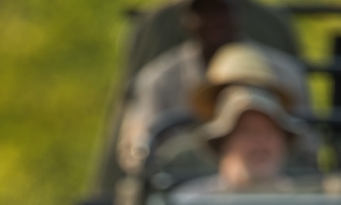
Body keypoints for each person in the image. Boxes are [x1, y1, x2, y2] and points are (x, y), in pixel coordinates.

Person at [117, 0, 308, 175]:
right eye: (203, 12)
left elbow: (309, 147)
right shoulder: (158, 80)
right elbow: (137, 151)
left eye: (221, 10)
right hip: (188, 188)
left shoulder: (286, 73)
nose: (213, 20)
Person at [175, 83, 307, 192]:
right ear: (223, 141)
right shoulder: (192, 204)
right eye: (247, 132)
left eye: (269, 132)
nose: (260, 142)